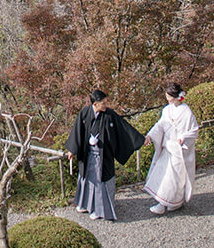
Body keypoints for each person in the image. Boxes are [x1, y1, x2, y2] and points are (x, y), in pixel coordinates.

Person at [65, 89, 147, 221]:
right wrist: (72, 150)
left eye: (105, 102)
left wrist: (140, 139)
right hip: (87, 154)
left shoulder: (109, 115)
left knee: (99, 181)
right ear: (95, 104)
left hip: (103, 155)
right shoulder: (85, 113)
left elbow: (124, 128)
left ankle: (99, 209)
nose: (105, 105)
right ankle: (85, 204)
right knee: (86, 179)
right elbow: (77, 132)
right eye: (103, 103)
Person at [142, 82, 200, 214]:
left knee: (173, 178)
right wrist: (150, 136)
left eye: (169, 97)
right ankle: (168, 202)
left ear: (175, 96)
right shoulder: (166, 110)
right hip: (167, 146)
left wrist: (183, 138)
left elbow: (194, 130)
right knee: (163, 174)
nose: (167, 99)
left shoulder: (186, 111)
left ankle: (166, 203)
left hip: (178, 149)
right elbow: (160, 125)